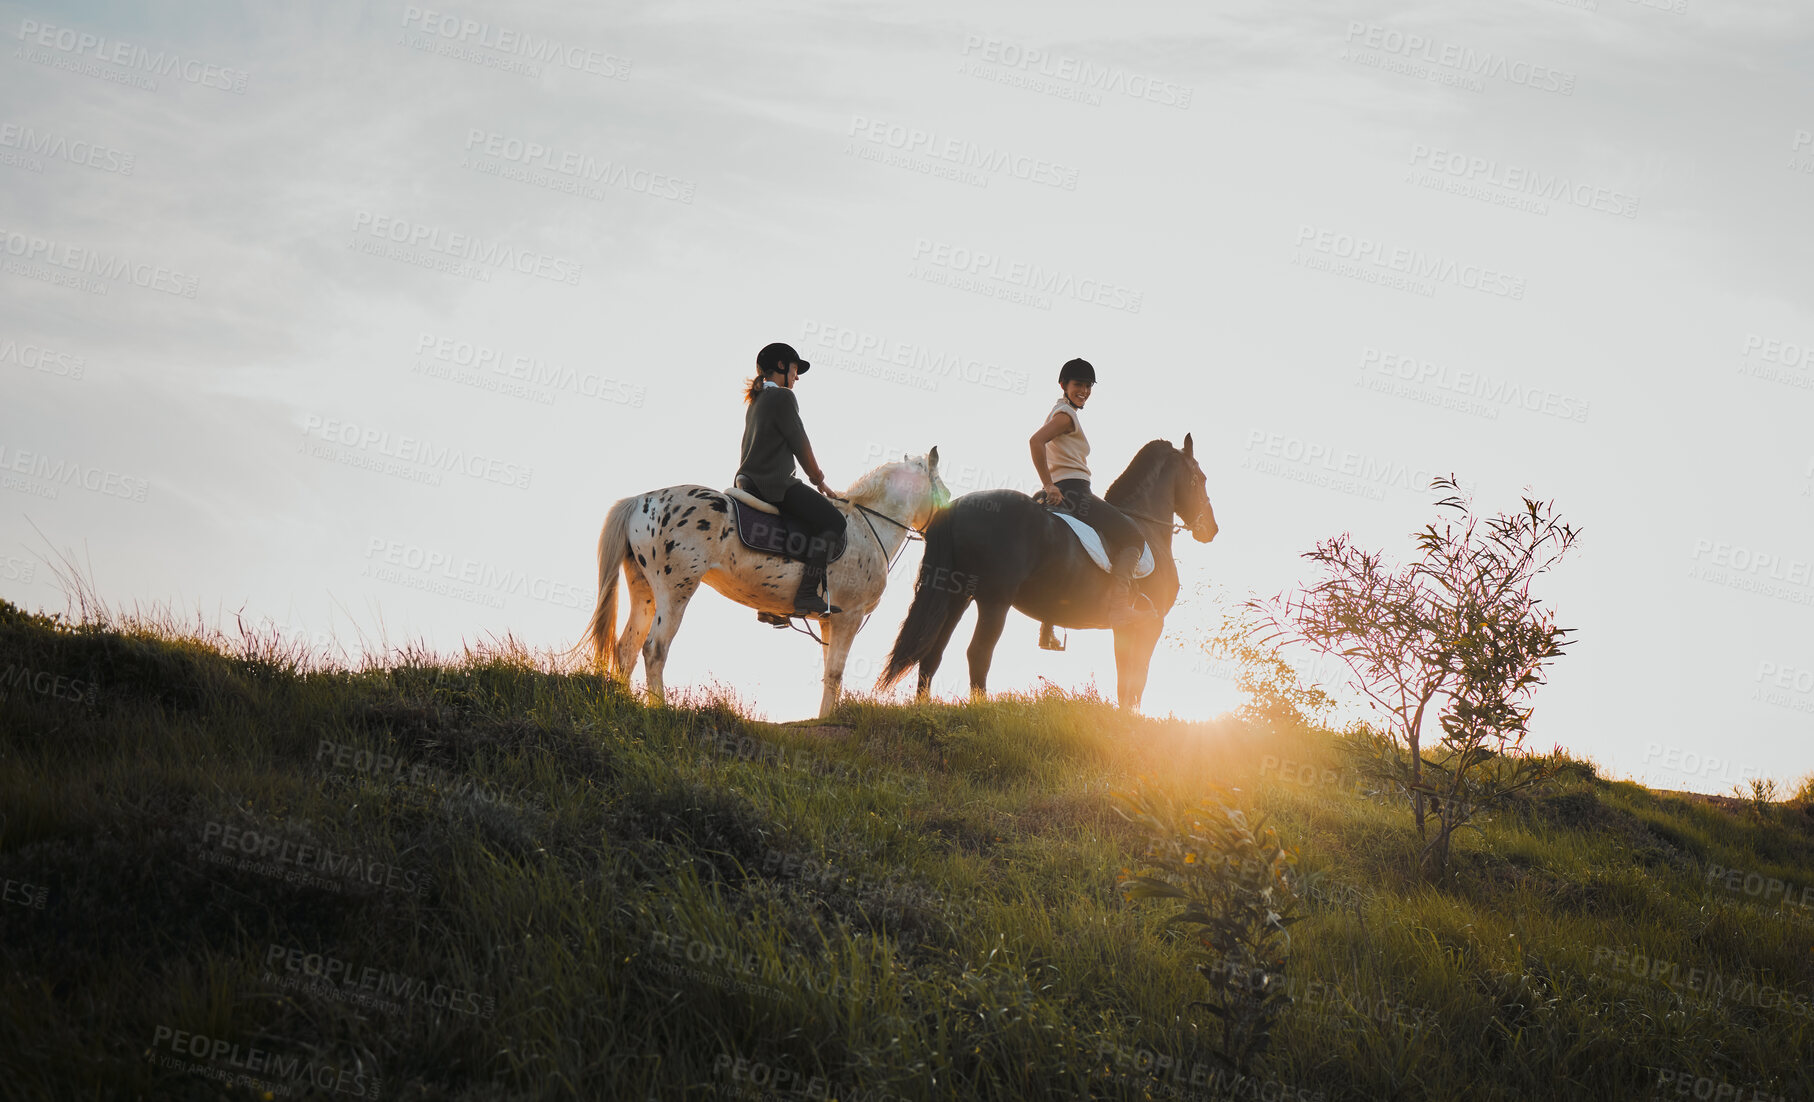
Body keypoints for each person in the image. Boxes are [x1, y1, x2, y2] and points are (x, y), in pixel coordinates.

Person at [1028, 357, 1154, 642]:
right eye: (1078, 385)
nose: (1083, 391)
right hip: (1074, 492)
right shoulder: (1066, 416)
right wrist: (1048, 484)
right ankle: (1121, 606)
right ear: (1064, 385)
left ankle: (1048, 625)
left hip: (1067, 490)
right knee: (1133, 536)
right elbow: (1035, 441)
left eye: (1087, 386)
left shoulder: (1059, 411)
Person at [736, 342, 846, 616]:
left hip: (746, 480)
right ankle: (807, 593)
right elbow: (800, 441)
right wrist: (819, 480)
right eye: (796, 369)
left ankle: (774, 600)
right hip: (773, 483)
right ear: (782, 367)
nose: (797, 377)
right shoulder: (783, 397)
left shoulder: (757, 400)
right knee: (834, 521)